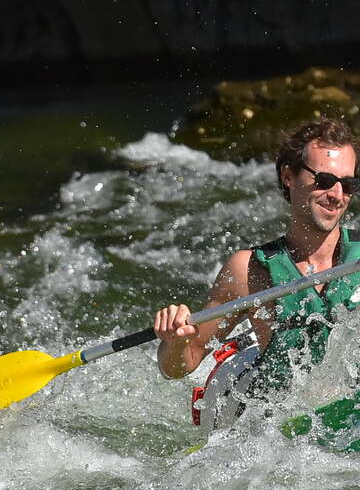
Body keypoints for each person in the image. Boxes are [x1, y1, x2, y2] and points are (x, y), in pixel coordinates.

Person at [154, 118, 360, 392]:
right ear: (289, 176)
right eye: (324, 181)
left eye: (348, 184)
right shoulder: (248, 270)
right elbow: (183, 364)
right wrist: (175, 341)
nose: (337, 194)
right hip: (288, 425)